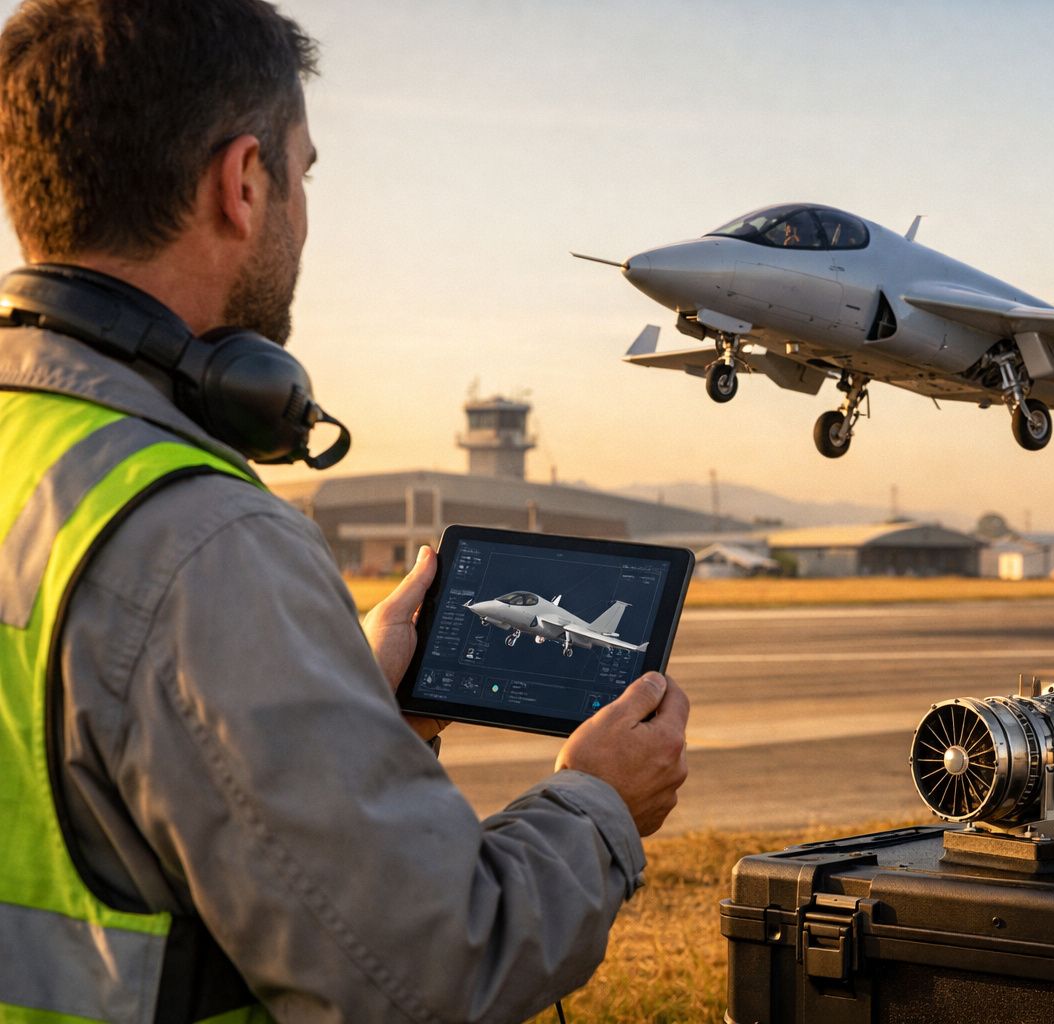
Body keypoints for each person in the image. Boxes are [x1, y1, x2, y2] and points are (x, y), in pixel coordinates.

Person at [0, 1, 688, 1020]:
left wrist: (355, 709)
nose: (305, 215)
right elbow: (428, 972)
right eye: (303, 173)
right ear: (242, 184)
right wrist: (597, 806)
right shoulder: (204, 545)